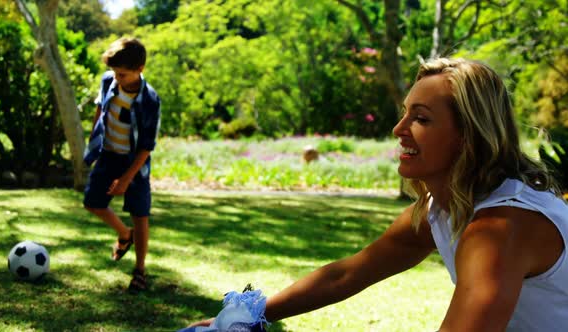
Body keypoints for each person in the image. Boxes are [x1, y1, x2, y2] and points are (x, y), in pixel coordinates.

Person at [189, 58, 568, 331]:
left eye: (420, 118)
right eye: (405, 114)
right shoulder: (442, 208)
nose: (398, 128)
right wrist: (247, 316)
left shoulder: (500, 228)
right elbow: (348, 274)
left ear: (469, 136)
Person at [83, 37, 161, 293]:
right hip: (108, 154)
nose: (117, 78)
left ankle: (139, 270)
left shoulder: (149, 100)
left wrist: (127, 178)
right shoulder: (109, 81)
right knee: (93, 202)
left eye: (123, 74)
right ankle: (124, 235)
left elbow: (147, 145)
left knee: (140, 214)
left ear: (140, 70)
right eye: (114, 73)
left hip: (134, 161)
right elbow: (100, 109)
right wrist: (93, 140)